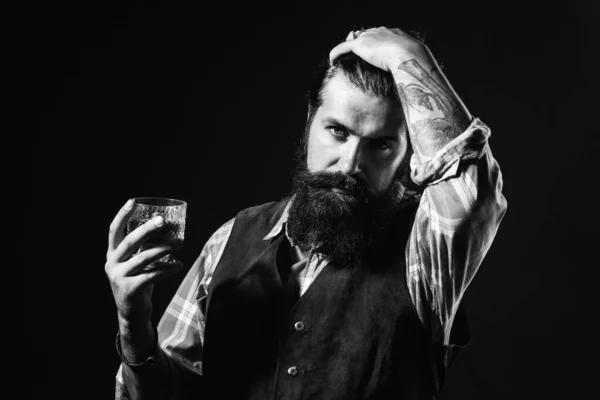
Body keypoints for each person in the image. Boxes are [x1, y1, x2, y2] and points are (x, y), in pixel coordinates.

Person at [105, 27, 507, 400]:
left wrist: (405, 52)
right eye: (337, 131)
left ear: (408, 153)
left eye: (381, 145)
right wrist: (133, 321)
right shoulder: (231, 239)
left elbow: (472, 194)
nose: (350, 164)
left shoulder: (425, 251)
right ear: (309, 121)